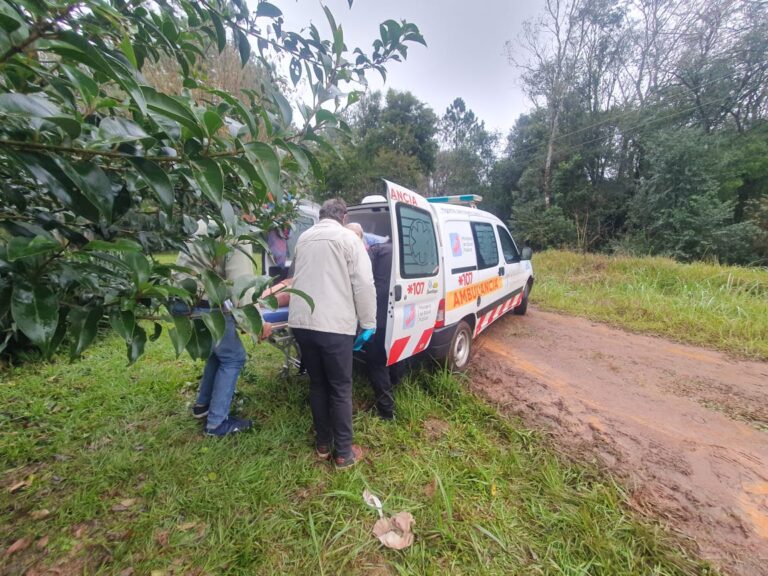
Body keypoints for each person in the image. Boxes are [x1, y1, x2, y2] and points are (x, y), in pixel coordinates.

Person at [288, 199, 377, 469]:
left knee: (318, 384)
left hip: (302, 323)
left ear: (321, 216)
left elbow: (296, 276)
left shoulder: (304, 238)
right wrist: (368, 322)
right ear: (344, 217)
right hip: (334, 326)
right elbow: (363, 282)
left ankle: (323, 445)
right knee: (340, 387)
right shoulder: (348, 238)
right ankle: (344, 455)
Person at [174, 218, 268, 437]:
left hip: (181, 300)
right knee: (234, 356)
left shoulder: (204, 222)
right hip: (204, 303)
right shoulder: (236, 231)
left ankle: (202, 406)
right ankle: (217, 424)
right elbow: (240, 287)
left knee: (218, 354)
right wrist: (257, 324)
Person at [364, 238, 402, 420]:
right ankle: (395, 386)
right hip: (400, 317)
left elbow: (363, 279)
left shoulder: (377, 250)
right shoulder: (405, 251)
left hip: (378, 315)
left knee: (377, 362)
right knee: (394, 356)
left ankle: (387, 411)